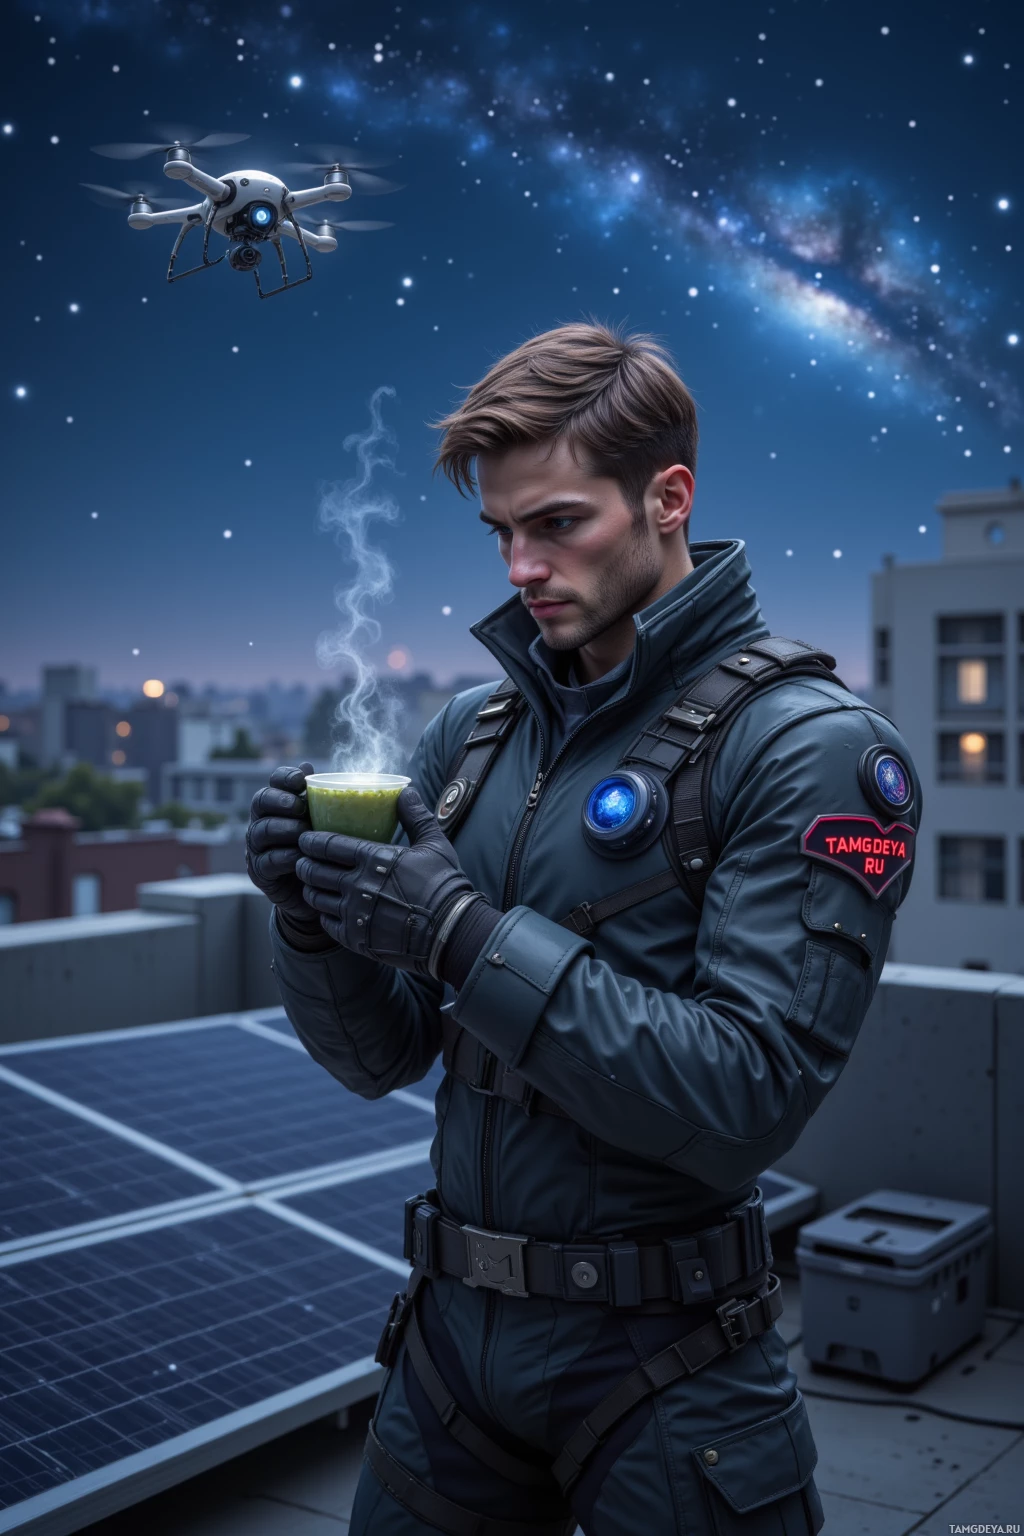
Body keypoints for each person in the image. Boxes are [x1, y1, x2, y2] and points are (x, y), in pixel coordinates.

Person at [246, 321, 921, 1535]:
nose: (518, 567)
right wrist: (315, 925)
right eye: (501, 532)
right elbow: (376, 1059)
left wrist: (456, 932)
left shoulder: (810, 747)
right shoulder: (475, 734)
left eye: (557, 523)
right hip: (449, 1351)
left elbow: (747, 1097)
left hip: (670, 1368)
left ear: (668, 499)